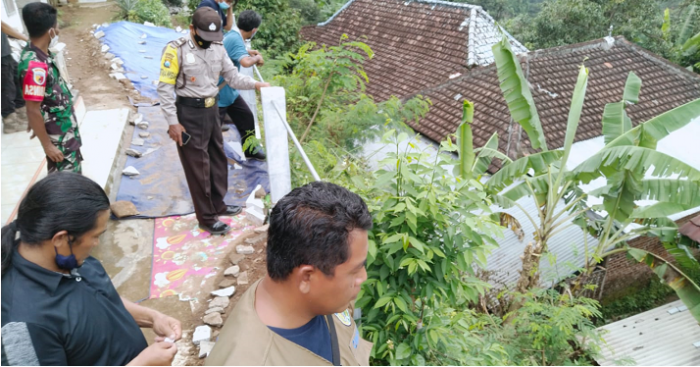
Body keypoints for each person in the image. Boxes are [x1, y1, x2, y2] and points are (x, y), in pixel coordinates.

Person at [1, 173, 182, 366]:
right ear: (61, 239)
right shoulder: (23, 324)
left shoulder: (68, 257)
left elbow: (102, 298)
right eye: (96, 236)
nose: (97, 244)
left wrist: (153, 318)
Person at [206, 182, 374, 366]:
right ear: (306, 278)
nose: (363, 278)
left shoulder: (323, 297)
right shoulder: (249, 360)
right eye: (355, 271)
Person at [156, 7, 269, 235]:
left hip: (211, 109)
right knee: (198, 167)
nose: (208, 42)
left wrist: (256, 84)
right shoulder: (175, 50)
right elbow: (165, 89)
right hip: (188, 113)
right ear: (192, 29)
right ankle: (206, 218)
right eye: (204, 38)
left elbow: (233, 77)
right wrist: (172, 122)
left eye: (212, 38)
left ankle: (218, 205)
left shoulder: (217, 46)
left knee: (217, 159)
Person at [18, 3, 82, 173]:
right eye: (57, 25)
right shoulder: (35, 66)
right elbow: (32, 109)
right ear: (50, 30)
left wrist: (35, 122)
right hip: (58, 138)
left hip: (64, 130)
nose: (59, 30)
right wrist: (47, 145)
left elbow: (36, 99)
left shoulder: (40, 54)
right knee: (66, 186)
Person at [217, 10, 266, 161]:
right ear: (254, 30)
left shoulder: (233, 35)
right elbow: (245, 62)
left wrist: (249, 51)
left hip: (229, 91)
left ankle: (250, 149)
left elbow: (235, 51)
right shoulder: (237, 39)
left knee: (247, 117)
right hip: (218, 94)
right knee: (210, 133)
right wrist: (257, 57)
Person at [1, 21, 28, 134]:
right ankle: (10, 123)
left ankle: (22, 115)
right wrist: (27, 39)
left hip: (5, 52)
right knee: (7, 87)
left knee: (17, 80)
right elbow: (2, 25)